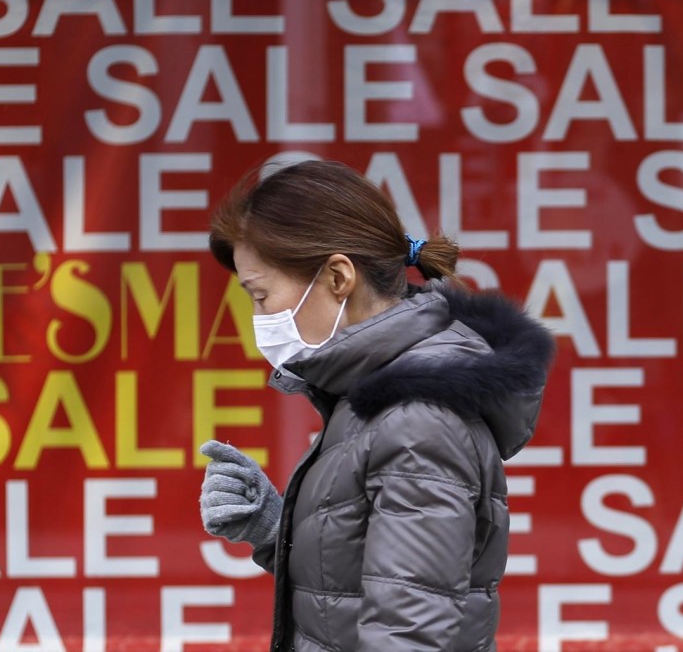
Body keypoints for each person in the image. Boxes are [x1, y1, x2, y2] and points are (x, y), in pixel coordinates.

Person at [198, 160, 554, 651]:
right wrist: (272, 528)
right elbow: (361, 588)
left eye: (261, 295)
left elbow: (408, 634)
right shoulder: (382, 397)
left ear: (339, 277)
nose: (258, 316)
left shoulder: (416, 420)